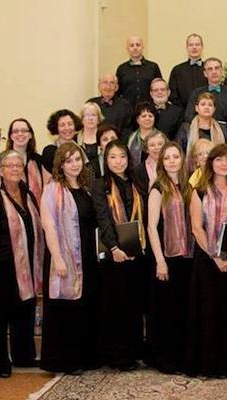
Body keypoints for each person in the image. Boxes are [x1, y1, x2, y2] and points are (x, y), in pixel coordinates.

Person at [186, 144, 227, 378]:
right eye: (219, 159)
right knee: (209, 311)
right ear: (210, 163)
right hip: (208, 259)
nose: (224, 164)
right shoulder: (199, 190)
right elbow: (196, 227)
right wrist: (215, 256)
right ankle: (210, 364)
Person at [0, 151, 44, 378]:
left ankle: (23, 355)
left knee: (23, 313)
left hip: (26, 267)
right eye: (9, 165)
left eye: (18, 165)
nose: (15, 168)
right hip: (2, 268)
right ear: (0, 170)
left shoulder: (27, 193)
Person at [40, 142, 100, 374]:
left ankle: (84, 357)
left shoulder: (86, 187)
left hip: (87, 256)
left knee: (84, 306)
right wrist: (58, 258)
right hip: (63, 256)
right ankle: (64, 360)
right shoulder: (53, 189)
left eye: (77, 159)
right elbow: (49, 225)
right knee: (65, 308)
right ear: (60, 165)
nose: (74, 165)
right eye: (68, 161)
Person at [92, 141, 147, 371]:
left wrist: (136, 247)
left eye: (122, 156)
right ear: (106, 160)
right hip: (114, 254)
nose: (118, 161)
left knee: (133, 305)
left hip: (136, 253)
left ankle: (133, 351)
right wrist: (115, 248)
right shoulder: (100, 184)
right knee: (116, 306)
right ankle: (116, 355)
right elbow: (103, 219)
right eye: (113, 157)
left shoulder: (136, 182)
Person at [147, 142, 194, 374]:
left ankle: (184, 356)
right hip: (167, 257)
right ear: (161, 162)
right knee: (167, 312)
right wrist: (160, 260)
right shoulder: (158, 188)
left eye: (176, 156)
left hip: (189, 257)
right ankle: (165, 358)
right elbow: (151, 227)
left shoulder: (189, 185)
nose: (172, 161)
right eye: (167, 158)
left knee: (185, 310)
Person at [0, 118, 44, 201]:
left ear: (30, 135)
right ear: (11, 136)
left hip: (37, 210)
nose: (20, 134)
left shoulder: (39, 161)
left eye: (24, 130)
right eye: (15, 131)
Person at [184, 57, 227, 139]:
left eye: (217, 68)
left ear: (221, 71)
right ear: (205, 73)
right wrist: (203, 131)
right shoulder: (196, 93)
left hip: (225, 135)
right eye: (210, 69)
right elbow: (189, 115)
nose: (214, 72)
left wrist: (220, 131)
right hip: (200, 135)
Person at [115, 36, 162, 109]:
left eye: (138, 45)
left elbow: (160, 88)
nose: (135, 48)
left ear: (143, 47)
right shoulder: (121, 68)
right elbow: (117, 92)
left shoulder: (153, 67)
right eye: (131, 45)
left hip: (149, 111)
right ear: (127, 49)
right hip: (128, 110)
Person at [177, 92, 226, 158]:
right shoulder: (186, 128)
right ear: (196, 108)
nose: (207, 107)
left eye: (210, 105)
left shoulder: (222, 128)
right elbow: (179, 151)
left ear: (214, 109)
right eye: (203, 104)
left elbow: (226, 151)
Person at [41, 109, 82, 182]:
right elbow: (47, 181)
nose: (67, 128)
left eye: (70, 124)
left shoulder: (81, 150)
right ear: (56, 128)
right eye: (62, 125)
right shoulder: (50, 152)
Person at [168, 33, 207, 106]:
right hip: (183, 113)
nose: (194, 47)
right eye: (191, 45)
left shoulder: (209, 68)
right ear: (187, 48)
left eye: (197, 44)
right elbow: (172, 94)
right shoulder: (177, 70)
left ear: (202, 47)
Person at [125, 102, 165, 172]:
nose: (147, 119)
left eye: (150, 116)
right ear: (137, 119)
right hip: (135, 175)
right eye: (144, 116)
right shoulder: (131, 138)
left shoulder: (161, 137)